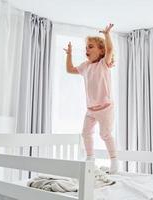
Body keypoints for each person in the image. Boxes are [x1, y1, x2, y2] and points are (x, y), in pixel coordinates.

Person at [64, 23, 118, 174]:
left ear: (101, 50)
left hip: (105, 108)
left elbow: (110, 50)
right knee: (86, 133)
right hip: (91, 109)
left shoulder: (104, 64)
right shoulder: (86, 66)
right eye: (86, 47)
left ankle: (114, 160)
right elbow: (70, 69)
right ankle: (90, 159)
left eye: (91, 46)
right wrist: (69, 54)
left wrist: (107, 35)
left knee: (105, 134)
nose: (87, 49)